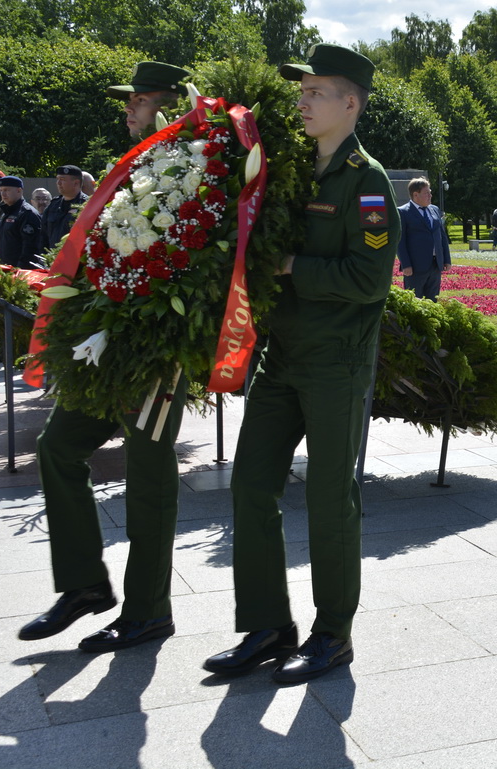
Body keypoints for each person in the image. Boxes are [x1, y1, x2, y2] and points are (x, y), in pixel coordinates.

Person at [203, 43, 400, 684]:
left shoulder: (367, 183)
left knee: (327, 497)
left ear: (351, 104)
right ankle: (267, 626)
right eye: (302, 90)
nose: (303, 100)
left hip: (336, 364)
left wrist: (291, 265)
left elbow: (370, 279)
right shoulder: (290, 169)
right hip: (282, 356)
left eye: (316, 91)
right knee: (250, 484)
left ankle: (332, 633)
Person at [19, 60, 193, 654]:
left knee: (147, 475)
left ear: (169, 105)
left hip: (155, 349)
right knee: (58, 447)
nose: (128, 109)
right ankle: (85, 585)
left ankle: (149, 611)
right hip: (105, 341)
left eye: (140, 101)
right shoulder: (133, 169)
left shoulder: (188, 169)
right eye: (129, 101)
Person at [396, 177, 450, 301]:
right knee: (415, 301)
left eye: (430, 192)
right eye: (427, 193)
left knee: (432, 301)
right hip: (415, 267)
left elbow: (442, 236)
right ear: (416, 194)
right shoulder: (403, 212)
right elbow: (400, 241)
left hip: (435, 265)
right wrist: (406, 264)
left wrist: (446, 259)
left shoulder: (434, 210)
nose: (430, 195)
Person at [0, 176, 43, 269]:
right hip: (6, 269)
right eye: (1, 190)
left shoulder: (27, 213)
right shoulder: (6, 213)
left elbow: (30, 248)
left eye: (7, 190)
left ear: (19, 191)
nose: (3, 194)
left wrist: (20, 271)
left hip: (21, 272)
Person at [40, 165, 89, 252]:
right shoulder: (53, 205)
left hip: (75, 260)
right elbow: (43, 236)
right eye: (57, 179)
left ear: (76, 183)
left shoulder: (87, 205)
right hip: (52, 259)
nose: (58, 183)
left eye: (62, 180)